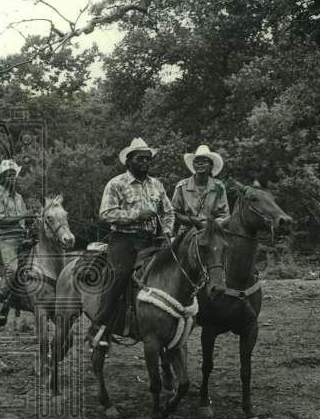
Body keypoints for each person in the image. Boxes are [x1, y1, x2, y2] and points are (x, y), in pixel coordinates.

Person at [87, 138, 175, 342]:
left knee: (173, 270)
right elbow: (105, 214)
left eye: (147, 159)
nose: (145, 162)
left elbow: (168, 212)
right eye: (140, 159)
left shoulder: (157, 184)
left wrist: (168, 232)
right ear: (129, 162)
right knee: (121, 274)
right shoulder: (116, 183)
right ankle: (99, 324)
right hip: (123, 240)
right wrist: (136, 214)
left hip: (151, 240)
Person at [0, 159, 32, 327]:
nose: (13, 178)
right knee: (12, 269)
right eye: (9, 176)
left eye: (14, 175)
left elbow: (23, 222)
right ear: (2, 179)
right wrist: (23, 216)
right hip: (6, 239)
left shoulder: (20, 198)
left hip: (21, 238)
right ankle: (0, 303)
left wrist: (31, 223)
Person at [171, 144, 230, 236]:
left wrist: (210, 226)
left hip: (212, 231)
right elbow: (174, 212)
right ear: (193, 165)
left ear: (211, 165)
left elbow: (224, 215)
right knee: (172, 249)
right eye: (197, 161)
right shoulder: (182, 186)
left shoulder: (218, 187)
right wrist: (193, 221)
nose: (200, 163)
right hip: (187, 231)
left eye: (204, 161)